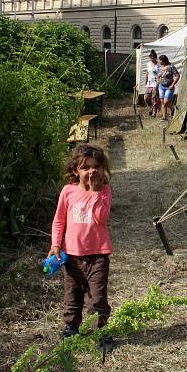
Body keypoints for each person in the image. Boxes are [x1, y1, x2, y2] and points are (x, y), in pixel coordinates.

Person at [48, 144, 115, 352]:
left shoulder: (104, 191)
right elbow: (59, 221)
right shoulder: (68, 192)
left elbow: (101, 218)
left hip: (98, 256)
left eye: (96, 167)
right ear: (76, 170)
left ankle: (102, 332)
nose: (92, 171)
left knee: (97, 297)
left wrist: (94, 192)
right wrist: (56, 244)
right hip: (73, 257)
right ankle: (71, 329)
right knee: (73, 295)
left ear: (102, 169)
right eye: (86, 167)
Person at [157, 54, 180, 120]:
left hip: (169, 87)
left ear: (163, 61)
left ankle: (173, 110)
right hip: (161, 86)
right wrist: (158, 81)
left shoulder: (171, 67)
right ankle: (164, 117)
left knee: (166, 102)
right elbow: (158, 76)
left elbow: (177, 76)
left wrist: (173, 84)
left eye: (160, 61)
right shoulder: (160, 67)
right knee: (162, 102)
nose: (159, 62)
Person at [144, 50, 161, 117]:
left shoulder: (158, 65)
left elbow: (160, 75)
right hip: (149, 83)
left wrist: (157, 84)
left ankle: (154, 112)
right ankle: (151, 107)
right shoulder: (148, 64)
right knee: (146, 98)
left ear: (155, 58)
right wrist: (145, 82)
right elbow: (147, 73)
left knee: (154, 98)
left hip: (155, 83)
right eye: (150, 58)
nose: (152, 59)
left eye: (153, 58)